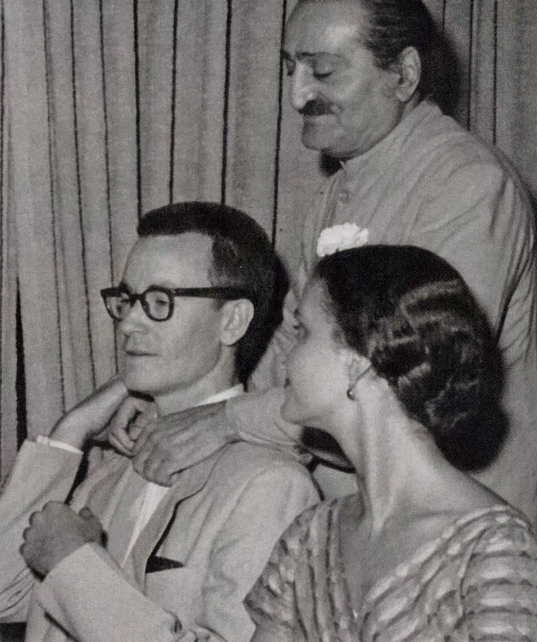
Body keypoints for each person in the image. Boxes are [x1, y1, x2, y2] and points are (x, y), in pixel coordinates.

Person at [113, 0, 537, 522]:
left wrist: (223, 421)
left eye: (324, 71)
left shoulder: (468, 185)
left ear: (404, 75)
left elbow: (407, 382)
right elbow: (291, 346)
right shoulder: (338, 190)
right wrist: (177, 402)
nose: (297, 96)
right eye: (290, 68)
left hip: (452, 527)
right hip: (361, 514)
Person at [0, 202, 319, 642]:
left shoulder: (267, 485)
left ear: (232, 320)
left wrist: (75, 565)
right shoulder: (110, 477)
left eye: (158, 302)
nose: (129, 322)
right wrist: (71, 430)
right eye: (127, 300)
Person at [244, 245, 537, 642]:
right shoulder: (308, 539)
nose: (284, 359)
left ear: (358, 359)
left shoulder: (492, 548)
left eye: (303, 332)